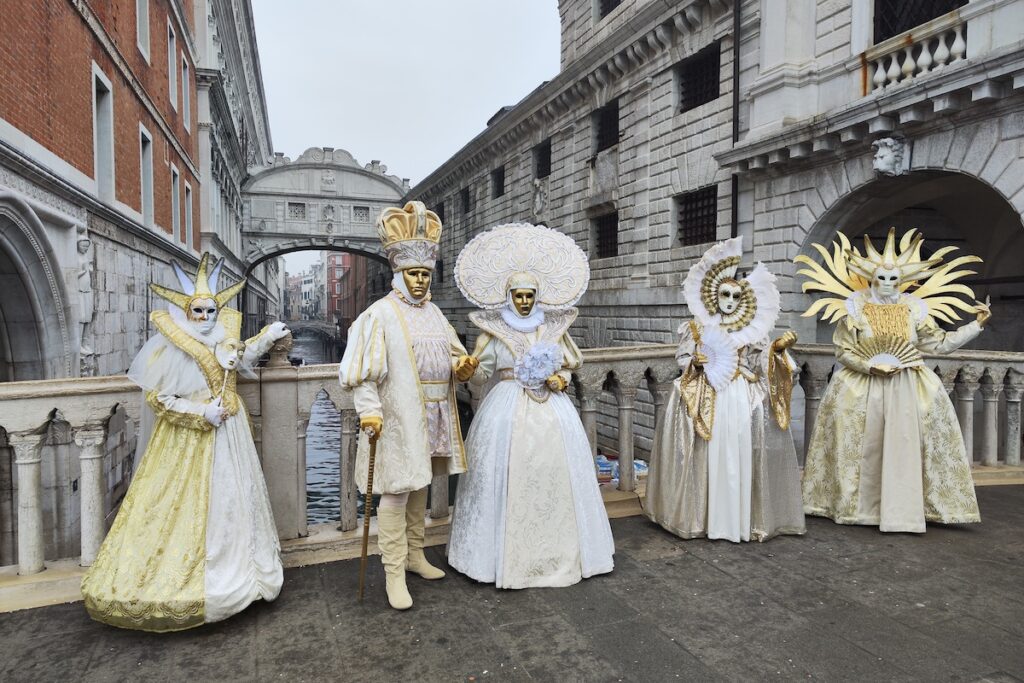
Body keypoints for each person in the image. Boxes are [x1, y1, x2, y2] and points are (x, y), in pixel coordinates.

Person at [81, 253, 290, 631]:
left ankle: (245, 575)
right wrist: (201, 414)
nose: (207, 318)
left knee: (233, 502)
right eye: (199, 311)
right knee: (185, 510)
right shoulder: (172, 344)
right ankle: (199, 585)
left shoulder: (224, 339)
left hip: (231, 433)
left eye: (212, 311)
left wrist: (266, 338)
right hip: (188, 441)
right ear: (186, 310)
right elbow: (159, 399)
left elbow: (239, 361)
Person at [447, 222, 614, 588]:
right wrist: (468, 367)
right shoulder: (492, 333)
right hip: (507, 408)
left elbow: (570, 364)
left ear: (538, 296)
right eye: (518, 296)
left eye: (530, 295)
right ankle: (501, 556)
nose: (524, 302)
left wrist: (560, 380)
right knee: (508, 474)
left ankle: (558, 552)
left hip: (552, 409)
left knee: (555, 478)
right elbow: (479, 373)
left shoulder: (552, 328)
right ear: (508, 296)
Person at [797, 228, 991, 533]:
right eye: (881, 279)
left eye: (893, 279)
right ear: (871, 280)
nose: (887, 284)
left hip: (907, 388)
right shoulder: (855, 311)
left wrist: (975, 327)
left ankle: (904, 509)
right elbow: (844, 351)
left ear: (903, 282)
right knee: (866, 446)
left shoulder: (915, 311)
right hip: (863, 388)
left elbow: (938, 344)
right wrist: (869, 367)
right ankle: (860, 509)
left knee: (904, 445)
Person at [338, 201, 478, 610]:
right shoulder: (378, 316)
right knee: (397, 493)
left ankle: (415, 555)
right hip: (398, 417)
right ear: (399, 274)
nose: (419, 281)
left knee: (421, 486)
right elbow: (363, 373)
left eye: (424, 274)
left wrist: (462, 366)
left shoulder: (434, 313)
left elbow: (452, 354)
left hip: (435, 414)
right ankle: (394, 573)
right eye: (413, 274)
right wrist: (369, 411)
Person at [644, 236, 805, 543]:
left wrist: (778, 350)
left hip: (741, 397)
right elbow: (682, 357)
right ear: (713, 297)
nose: (729, 301)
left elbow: (760, 363)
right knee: (708, 453)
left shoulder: (754, 331)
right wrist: (696, 360)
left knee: (740, 452)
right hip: (709, 393)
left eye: (735, 295)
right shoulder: (697, 327)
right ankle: (705, 517)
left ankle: (741, 519)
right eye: (724, 295)